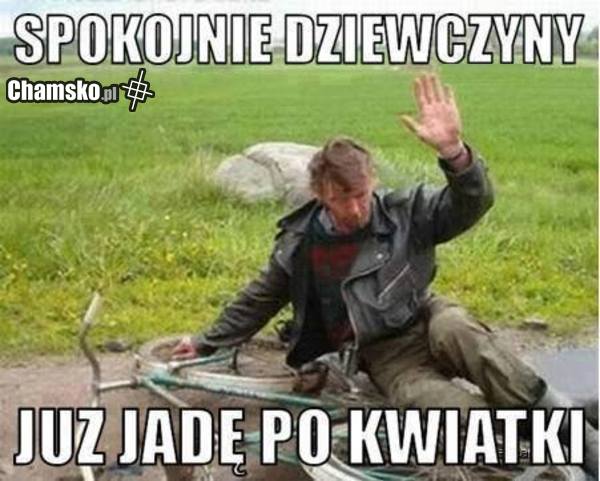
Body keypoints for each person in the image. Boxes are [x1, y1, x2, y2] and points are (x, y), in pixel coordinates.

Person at [173, 74, 598, 477]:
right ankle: (544, 438)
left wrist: (454, 153)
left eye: (361, 195)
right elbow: (260, 297)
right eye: (342, 199)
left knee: (461, 333)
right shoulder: (301, 245)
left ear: (372, 181)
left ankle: (581, 438)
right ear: (320, 194)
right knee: (447, 410)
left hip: (427, 318)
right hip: (387, 356)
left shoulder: (406, 213)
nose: (356, 209)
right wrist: (206, 341)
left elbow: (471, 203)